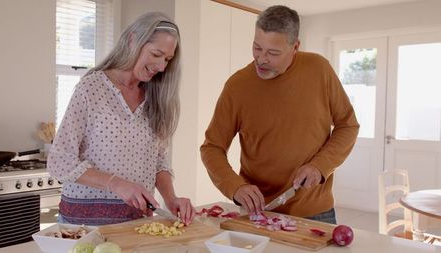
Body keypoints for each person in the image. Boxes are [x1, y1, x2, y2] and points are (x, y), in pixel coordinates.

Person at [200, 5, 359, 224]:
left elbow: (348, 126)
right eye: (257, 48)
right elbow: (212, 148)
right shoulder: (237, 86)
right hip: (257, 211)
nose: (261, 59)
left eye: (273, 53)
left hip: (316, 213)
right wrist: (235, 187)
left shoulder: (319, 70)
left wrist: (319, 166)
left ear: (295, 47)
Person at [48, 12, 195, 226]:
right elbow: (59, 161)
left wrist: (170, 198)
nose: (162, 66)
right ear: (133, 40)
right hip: (83, 224)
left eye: (167, 59)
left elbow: (159, 161)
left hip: (136, 224)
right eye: (156, 54)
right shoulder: (91, 88)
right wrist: (115, 183)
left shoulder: (156, 97)